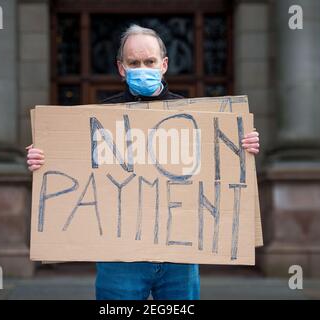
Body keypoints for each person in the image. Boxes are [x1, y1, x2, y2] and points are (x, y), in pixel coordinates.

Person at [26, 24, 260, 300]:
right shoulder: (100, 117)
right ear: (121, 68)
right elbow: (71, 166)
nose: (142, 68)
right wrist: (43, 157)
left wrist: (243, 146)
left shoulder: (198, 116)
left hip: (179, 257)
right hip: (120, 258)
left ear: (164, 64)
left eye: (149, 61)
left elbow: (218, 167)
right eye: (133, 62)